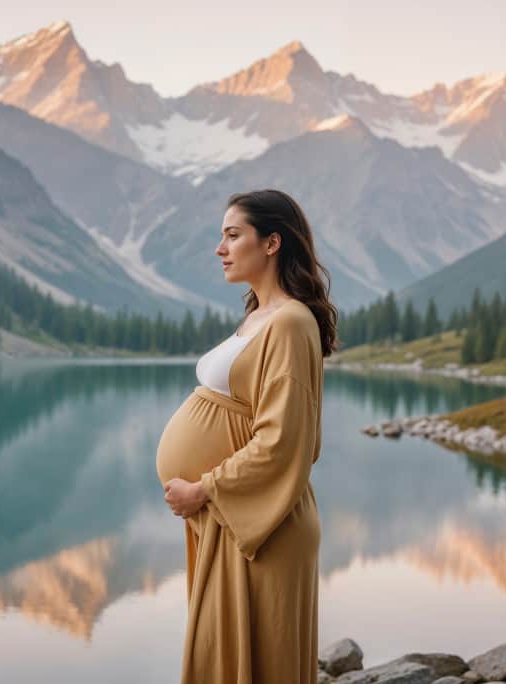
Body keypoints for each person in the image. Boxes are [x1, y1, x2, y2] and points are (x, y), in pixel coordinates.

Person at [155, 188, 338, 683]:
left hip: (261, 528)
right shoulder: (259, 317)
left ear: (272, 243)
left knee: (259, 667)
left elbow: (285, 442)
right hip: (231, 522)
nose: (220, 249)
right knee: (227, 660)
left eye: (233, 236)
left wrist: (203, 489)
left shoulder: (292, 322)